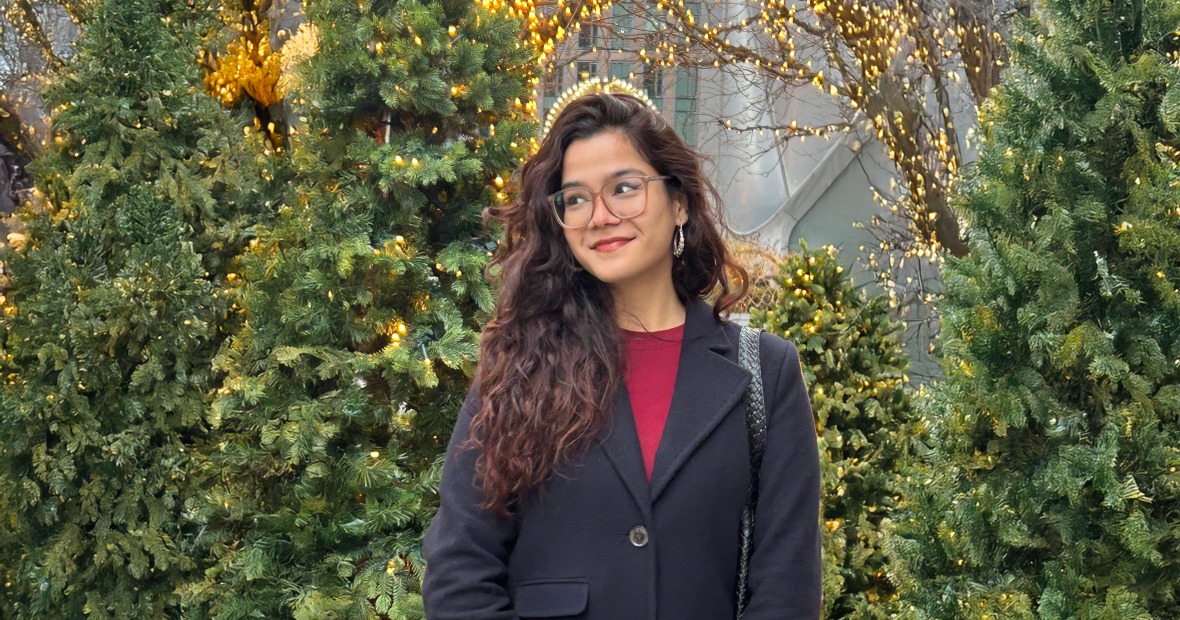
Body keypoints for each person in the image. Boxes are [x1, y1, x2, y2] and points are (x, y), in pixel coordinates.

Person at [422, 86, 821, 619]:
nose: (600, 215)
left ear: (678, 202)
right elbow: (459, 574)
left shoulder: (765, 372)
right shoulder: (518, 365)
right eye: (577, 198)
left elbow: (786, 591)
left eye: (625, 188)